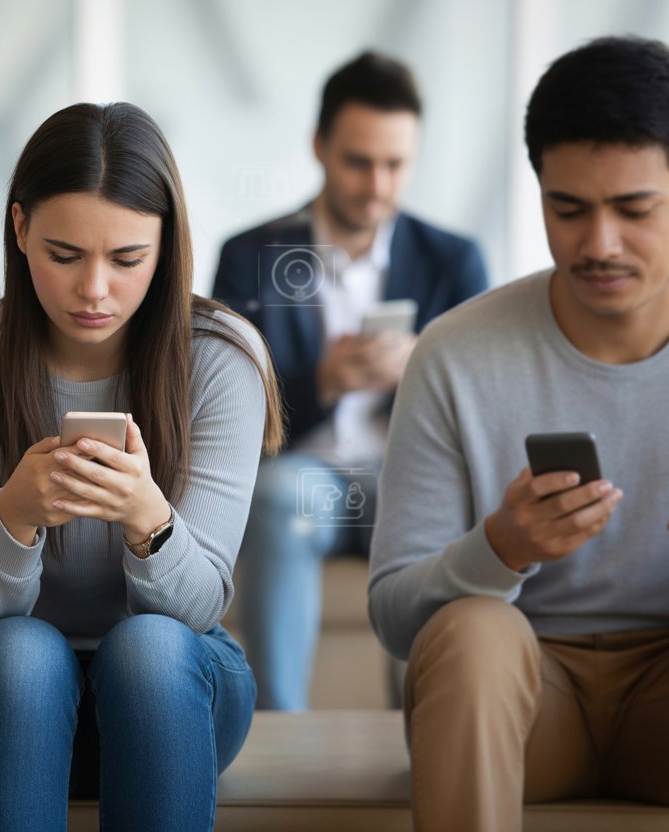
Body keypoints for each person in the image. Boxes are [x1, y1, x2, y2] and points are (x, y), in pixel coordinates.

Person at [0, 102, 283, 831]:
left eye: (128, 259)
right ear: (19, 230)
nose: (95, 291)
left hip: (170, 697)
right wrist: (14, 516)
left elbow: (200, 609)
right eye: (65, 255)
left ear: (167, 246)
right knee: (21, 653)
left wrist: (148, 519)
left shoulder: (223, 358)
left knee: (149, 648)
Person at [368, 36, 669, 832]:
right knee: (475, 627)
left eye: (634, 209)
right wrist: (502, 547)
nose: (599, 244)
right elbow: (396, 617)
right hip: (519, 705)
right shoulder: (457, 353)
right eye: (568, 208)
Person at [212, 50, 488, 710]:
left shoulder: (453, 261)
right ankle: (279, 729)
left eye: (396, 164)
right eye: (358, 161)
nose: (377, 186)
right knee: (279, 498)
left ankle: (431, 731)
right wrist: (323, 381)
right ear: (319, 147)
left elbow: (485, 400)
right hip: (307, 479)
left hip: (411, 476)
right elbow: (227, 416)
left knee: (443, 515)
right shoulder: (251, 258)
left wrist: (423, 368)